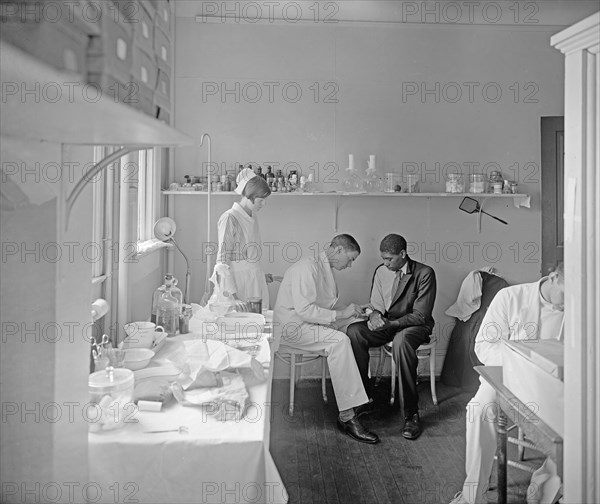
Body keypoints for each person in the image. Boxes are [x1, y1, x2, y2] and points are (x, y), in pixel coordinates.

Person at [449, 262, 565, 504]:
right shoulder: (511, 297)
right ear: (554, 278)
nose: (571, 303)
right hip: (506, 377)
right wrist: (521, 365)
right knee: (479, 410)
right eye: (567, 294)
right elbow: (484, 345)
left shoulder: (584, 307)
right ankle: (473, 495)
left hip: (555, 386)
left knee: (582, 425)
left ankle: (544, 483)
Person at [273, 234, 380, 444]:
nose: (349, 265)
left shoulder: (324, 270)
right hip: (293, 327)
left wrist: (353, 312)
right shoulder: (308, 267)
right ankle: (347, 417)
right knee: (339, 342)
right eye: (350, 259)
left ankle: (360, 395)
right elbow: (304, 310)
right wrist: (341, 314)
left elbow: (327, 306)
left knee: (354, 327)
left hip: (309, 323)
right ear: (338, 250)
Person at [347, 234, 436, 440]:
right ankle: (363, 396)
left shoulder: (424, 273)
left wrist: (391, 324)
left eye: (389, 259)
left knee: (401, 342)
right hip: (389, 323)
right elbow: (375, 305)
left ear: (403, 254)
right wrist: (376, 315)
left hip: (415, 326)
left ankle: (411, 414)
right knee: (354, 331)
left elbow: (420, 314)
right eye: (383, 258)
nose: (385, 263)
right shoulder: (381, 271)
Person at [215, 168, 274, 309]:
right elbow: (222, 261)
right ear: (249, 196)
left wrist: (259, 275)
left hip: (253, 282)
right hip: (237, 286)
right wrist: (233, 296)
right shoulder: (230, 218)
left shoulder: (252, 217)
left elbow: (248, 259)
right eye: (261, 200)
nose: (263, 204)